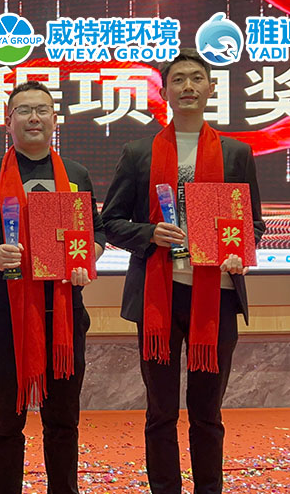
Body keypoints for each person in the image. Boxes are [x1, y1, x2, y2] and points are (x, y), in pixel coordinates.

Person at [101, 49, 266, 494]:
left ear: (211, 88)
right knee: (160, 411)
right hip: (160, 294)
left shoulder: (236, 153)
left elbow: (253, 224)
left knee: (207, 411)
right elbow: (110, 221)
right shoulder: (139, 152)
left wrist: (239, 251)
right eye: (178, 79)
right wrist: (149, 233)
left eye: (196, 78)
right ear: (165, 91)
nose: (188, 86)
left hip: (218, 295)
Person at [0, 81, 105, 494]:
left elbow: (96, 235)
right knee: (6, 419)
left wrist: (84, 260)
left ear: (55, 119)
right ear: (9, 122)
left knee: (63, 419)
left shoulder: (75, 175)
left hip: (64, 313)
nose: (33, 118)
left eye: (42, 110)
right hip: (7, 314)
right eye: (23, 110)